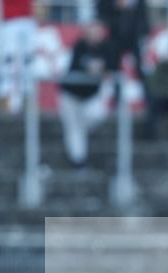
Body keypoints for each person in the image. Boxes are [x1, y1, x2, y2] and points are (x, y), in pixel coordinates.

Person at [58, 21, 113, 167]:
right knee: (73, 128)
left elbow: (112, 67)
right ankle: (78, 161)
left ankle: (80, 154)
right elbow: (74, 67)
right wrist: (88, 69)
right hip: (71, 94)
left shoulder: (106, 48)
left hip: (90, 96)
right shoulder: (79, 46)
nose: (95, 36)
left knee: (96, 116)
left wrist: (101, 70)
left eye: (98, 32)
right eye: (92, 32)